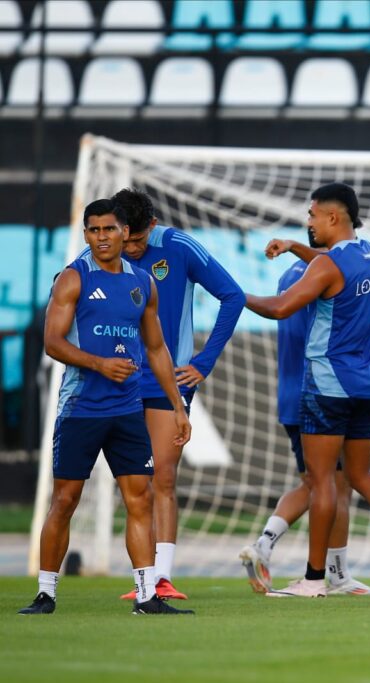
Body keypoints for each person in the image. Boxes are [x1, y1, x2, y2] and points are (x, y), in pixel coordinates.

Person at [20, 199, 193, 616]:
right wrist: (100, 364)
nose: (101, 237)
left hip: (127, 410)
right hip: (81, 408)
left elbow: (157, 348)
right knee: (65, 500)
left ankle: (146, 595)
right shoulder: (72, 278)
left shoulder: (143, 283)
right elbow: (52, 342)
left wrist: (178, 406)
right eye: (94, 230)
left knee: (140, 499)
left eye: (109, 229)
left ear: (124, 233)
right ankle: (45, 594)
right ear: (86, 234)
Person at [244, 183, 370, 598]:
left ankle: (314, 579)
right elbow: (331, 265)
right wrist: (294, 247)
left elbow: (279, 307)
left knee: (321, 483)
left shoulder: (320, 270)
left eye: (312, 215)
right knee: (359, 476)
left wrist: (232, 294)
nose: (309, 222)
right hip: (366, 385)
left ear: (332, 217)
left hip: (326, 385)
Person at [114, 188, 244, 600]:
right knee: (134, 483)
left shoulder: (178, 246)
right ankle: (142, 578)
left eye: (137, 240)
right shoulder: (103, 250)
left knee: (163, 477)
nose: (130, 249)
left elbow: (234, 296)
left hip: (166, 381)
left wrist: (204, 361)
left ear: (151, 226)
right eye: (124, 239)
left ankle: (162, 578)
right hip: (116, 382)